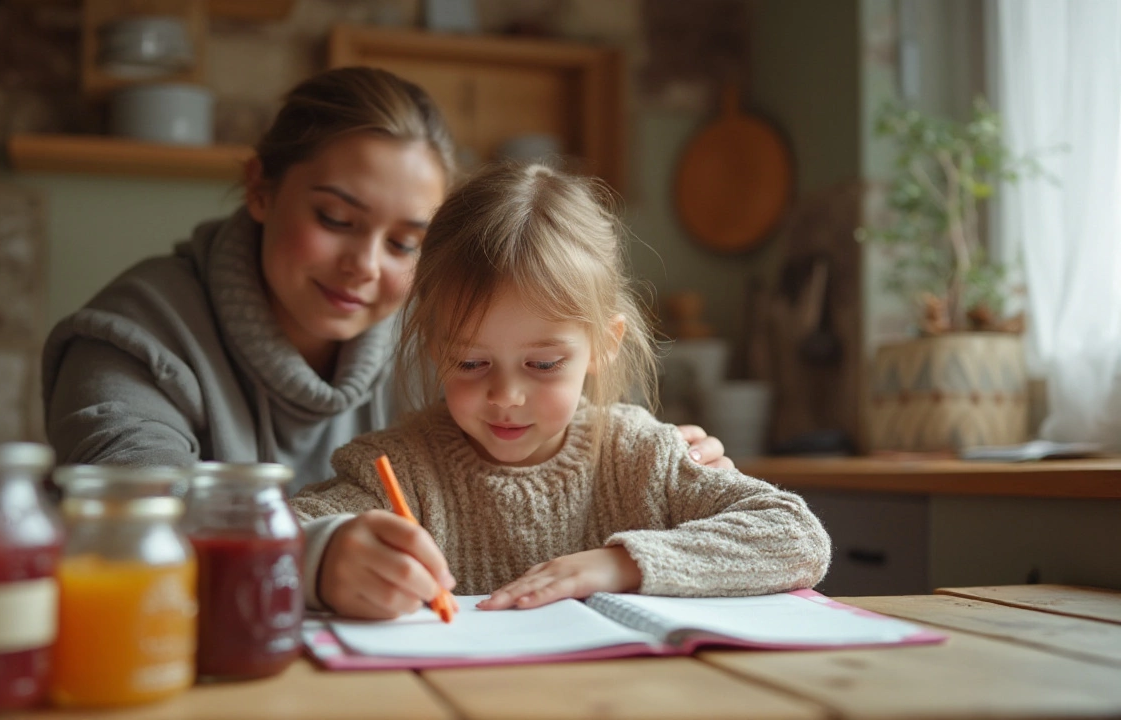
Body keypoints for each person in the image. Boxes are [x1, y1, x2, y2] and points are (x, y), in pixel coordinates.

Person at [42, 67, 734, 495]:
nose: (367, 266)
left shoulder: (449, 336)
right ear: (259, 188)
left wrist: (646, 458)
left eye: (408, 242)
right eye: (336, 218)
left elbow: (567, 413)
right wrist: (324, 554)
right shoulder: (130, 342)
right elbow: (134, 515)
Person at [290, 163, 831, 619]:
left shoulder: (640, 455)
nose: (506, 395)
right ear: (435, 347)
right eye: (471, 361)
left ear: (602, 344)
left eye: (543, 364)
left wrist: (615, 564)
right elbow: (263, 537)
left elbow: (795, 536)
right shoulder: (400, 471)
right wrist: (323, 555)